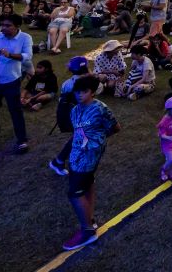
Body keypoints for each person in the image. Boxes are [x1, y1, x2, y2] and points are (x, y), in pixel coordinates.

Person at [61, 75, 120, 251]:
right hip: (76, 154)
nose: (79, 95)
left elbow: (115, 127)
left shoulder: (100, 109)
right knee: (86, 184)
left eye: (84, 91)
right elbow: (76, 132)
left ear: (92, 92)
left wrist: (98, 140)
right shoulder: (75, 110)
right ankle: (90, 220)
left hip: (90, 155)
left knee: (74, 193)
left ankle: (87, 232)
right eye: (77, 91)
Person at [0, 14, 32, 153]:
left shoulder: (25, 38)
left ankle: (22, 140)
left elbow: (28, 56)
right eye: (2, 25)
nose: (3, 28)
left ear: (17, 26)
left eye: (8, 25)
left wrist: (10, 55)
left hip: (11, 80)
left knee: (15, 111)